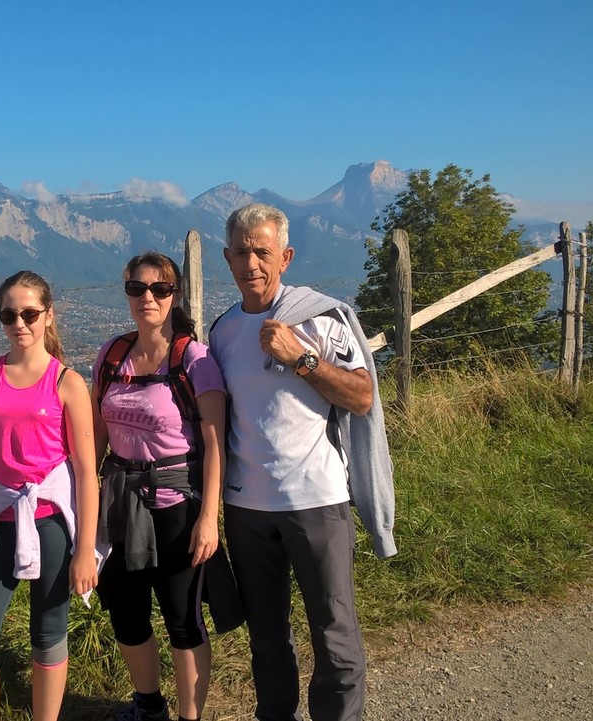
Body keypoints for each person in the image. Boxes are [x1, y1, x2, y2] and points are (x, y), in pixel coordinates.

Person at [209, 203, 397, 721]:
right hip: (247, 509)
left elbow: (362, 397)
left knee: (334, 636)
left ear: (285, 257)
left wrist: (302, 359)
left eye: (262, 252)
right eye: (241, 252)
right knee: (267, 638)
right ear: (227, 258)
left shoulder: (321, 318)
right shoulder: (221, 332)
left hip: (317, 501)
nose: (251, 263)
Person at [0, 270, 100, 721]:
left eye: (30, 314)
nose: (20, 323)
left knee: (49, 633)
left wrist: (85, 550)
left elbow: (86, 472)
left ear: (48, 315)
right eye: (9, 315)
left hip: (51, 522)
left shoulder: (67, 383)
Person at [92, 252, 228, 721]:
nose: (147, 297)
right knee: (125, 612)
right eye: (137, 288)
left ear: (176, 294)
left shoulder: (195, 360)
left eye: (160, 289)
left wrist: (208, 519)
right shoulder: (112, 354)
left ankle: (190, 717)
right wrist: (82, 501)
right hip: (119, 500)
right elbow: (97, 433)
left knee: (182, 618)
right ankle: (149, 705)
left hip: (178, 503)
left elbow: (215, 444)